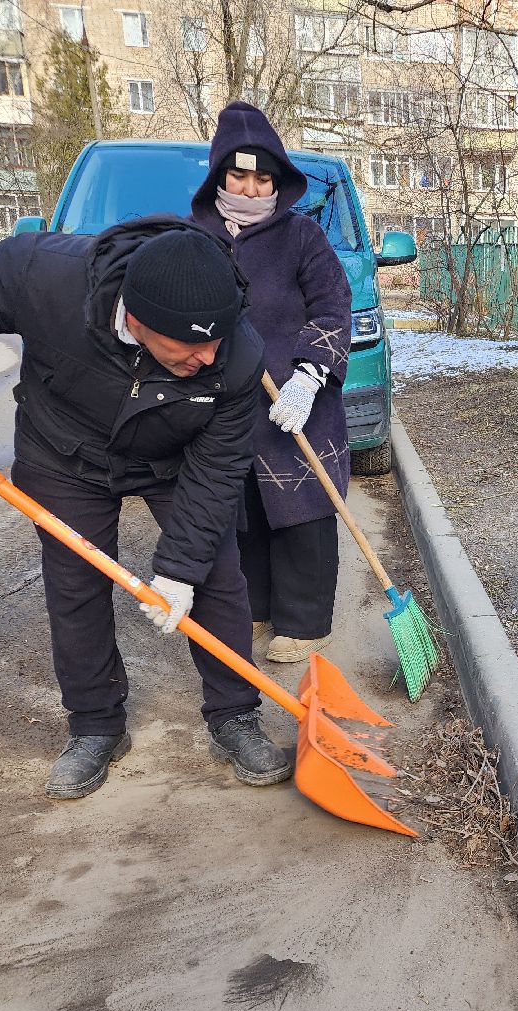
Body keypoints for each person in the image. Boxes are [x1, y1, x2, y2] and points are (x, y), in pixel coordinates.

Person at [0, 217, 294, 799]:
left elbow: (216, 475)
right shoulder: (46, 276)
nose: (209, 357)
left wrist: (180, 570)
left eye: (217, 339)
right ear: (136, 318)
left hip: (175, 458)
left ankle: (235, 714)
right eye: (190, 344)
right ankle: (96, 725)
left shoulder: (236, 360)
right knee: (76, 583)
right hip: (63, 451)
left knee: (214, 575)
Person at [190, 101, 354, 664]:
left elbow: (334, 306)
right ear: (219, 173)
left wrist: (310, 375)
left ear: (277, 179)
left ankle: (306, 621)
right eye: (240, 174)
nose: (253, 187)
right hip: (227, 402)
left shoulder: (302, 237)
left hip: (295, 399)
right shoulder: (198, 237)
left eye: (264, 177)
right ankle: (256, 605)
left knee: (302, 508)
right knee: (244, 512)